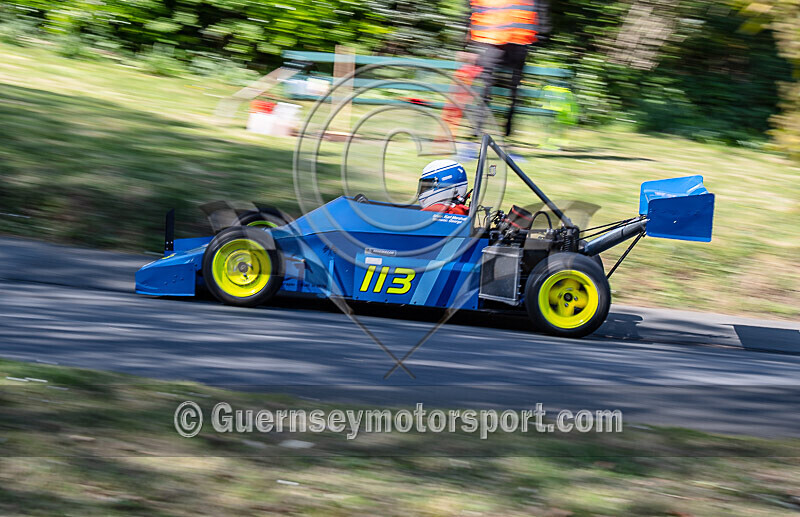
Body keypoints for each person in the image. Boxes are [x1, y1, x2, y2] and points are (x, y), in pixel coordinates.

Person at [466, 0, 550, 137]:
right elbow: (472, 8)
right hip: (493, 39)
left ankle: (505, 130)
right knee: (487, 87)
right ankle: (478, 129)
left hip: (513, 39)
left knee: (509, 90)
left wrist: (540, 33)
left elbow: (540, 8)